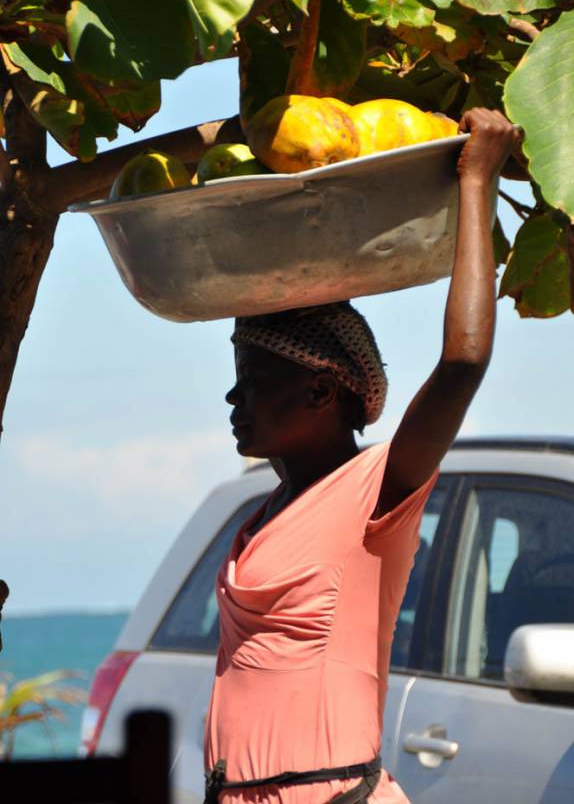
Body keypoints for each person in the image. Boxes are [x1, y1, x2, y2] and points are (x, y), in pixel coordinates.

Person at [204, 109, 521, 804]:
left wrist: (477, 181)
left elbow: (463, 363)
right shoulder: (266, 510)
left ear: (321, 391)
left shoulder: (374, 490)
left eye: (252, 380)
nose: (233, 397)